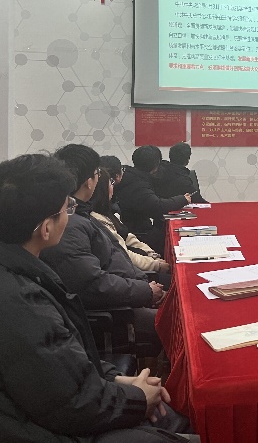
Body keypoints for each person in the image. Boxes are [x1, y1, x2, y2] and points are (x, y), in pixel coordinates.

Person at [0, 154, 193, 442]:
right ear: (46, 228)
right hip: (36, 431)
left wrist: (117, 380)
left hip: (47, 414)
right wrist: (137, 398)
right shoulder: (11, 302)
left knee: (171, 418)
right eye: (68, 208)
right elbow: (74, 405)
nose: (71, 214)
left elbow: (63, 364)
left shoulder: (1, 267)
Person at [40, 144, 165, 348]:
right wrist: (145, 291)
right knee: (182, 324)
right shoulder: (70, 225)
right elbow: (92, 284)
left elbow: (117, 255)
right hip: (117, 312)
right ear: (89, 181)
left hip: (128, 294)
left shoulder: (83, 215)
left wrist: (144, 284)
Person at [91, 167, 171, 277]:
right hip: (129, 273)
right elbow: (123, 254)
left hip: (136, 263)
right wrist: (155, 265)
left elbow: (127, 236)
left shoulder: (107, 211)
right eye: (111, 183)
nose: (113, 186)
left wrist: (152, 255)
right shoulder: (97, 219)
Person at [115, 145, 193, 254]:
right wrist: (182, 199)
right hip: (138, 233)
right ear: (156, 166)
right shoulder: (138, 185)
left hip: (134, 227)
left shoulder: (131, 175)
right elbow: (157, 206)